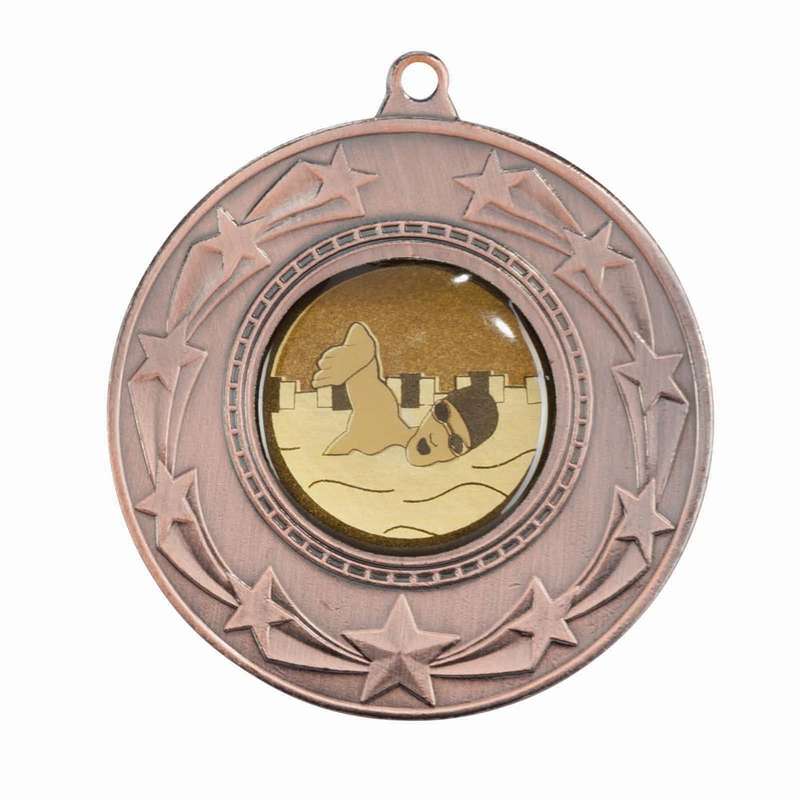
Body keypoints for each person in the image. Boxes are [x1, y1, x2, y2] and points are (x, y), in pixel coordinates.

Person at [311, 322, 498, 466]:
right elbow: (359, 333)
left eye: (455, 443)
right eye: (442, 413)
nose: (436, 437)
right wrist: (360, 353)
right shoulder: (381, 421)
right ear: (434, 406)